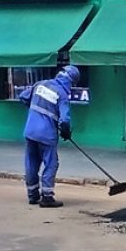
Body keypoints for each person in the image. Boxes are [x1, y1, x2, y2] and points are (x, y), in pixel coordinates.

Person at [19, 65, 79, 208]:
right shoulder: (62, 94)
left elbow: (23, 97)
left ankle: (33, 195)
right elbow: (64, 120)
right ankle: (47, 197)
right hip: (46, 134)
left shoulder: (40, 84)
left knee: (31, 162)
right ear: (71, 81)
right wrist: (65, 131)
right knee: (51, 163)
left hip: (30, 130)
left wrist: (36, 110)